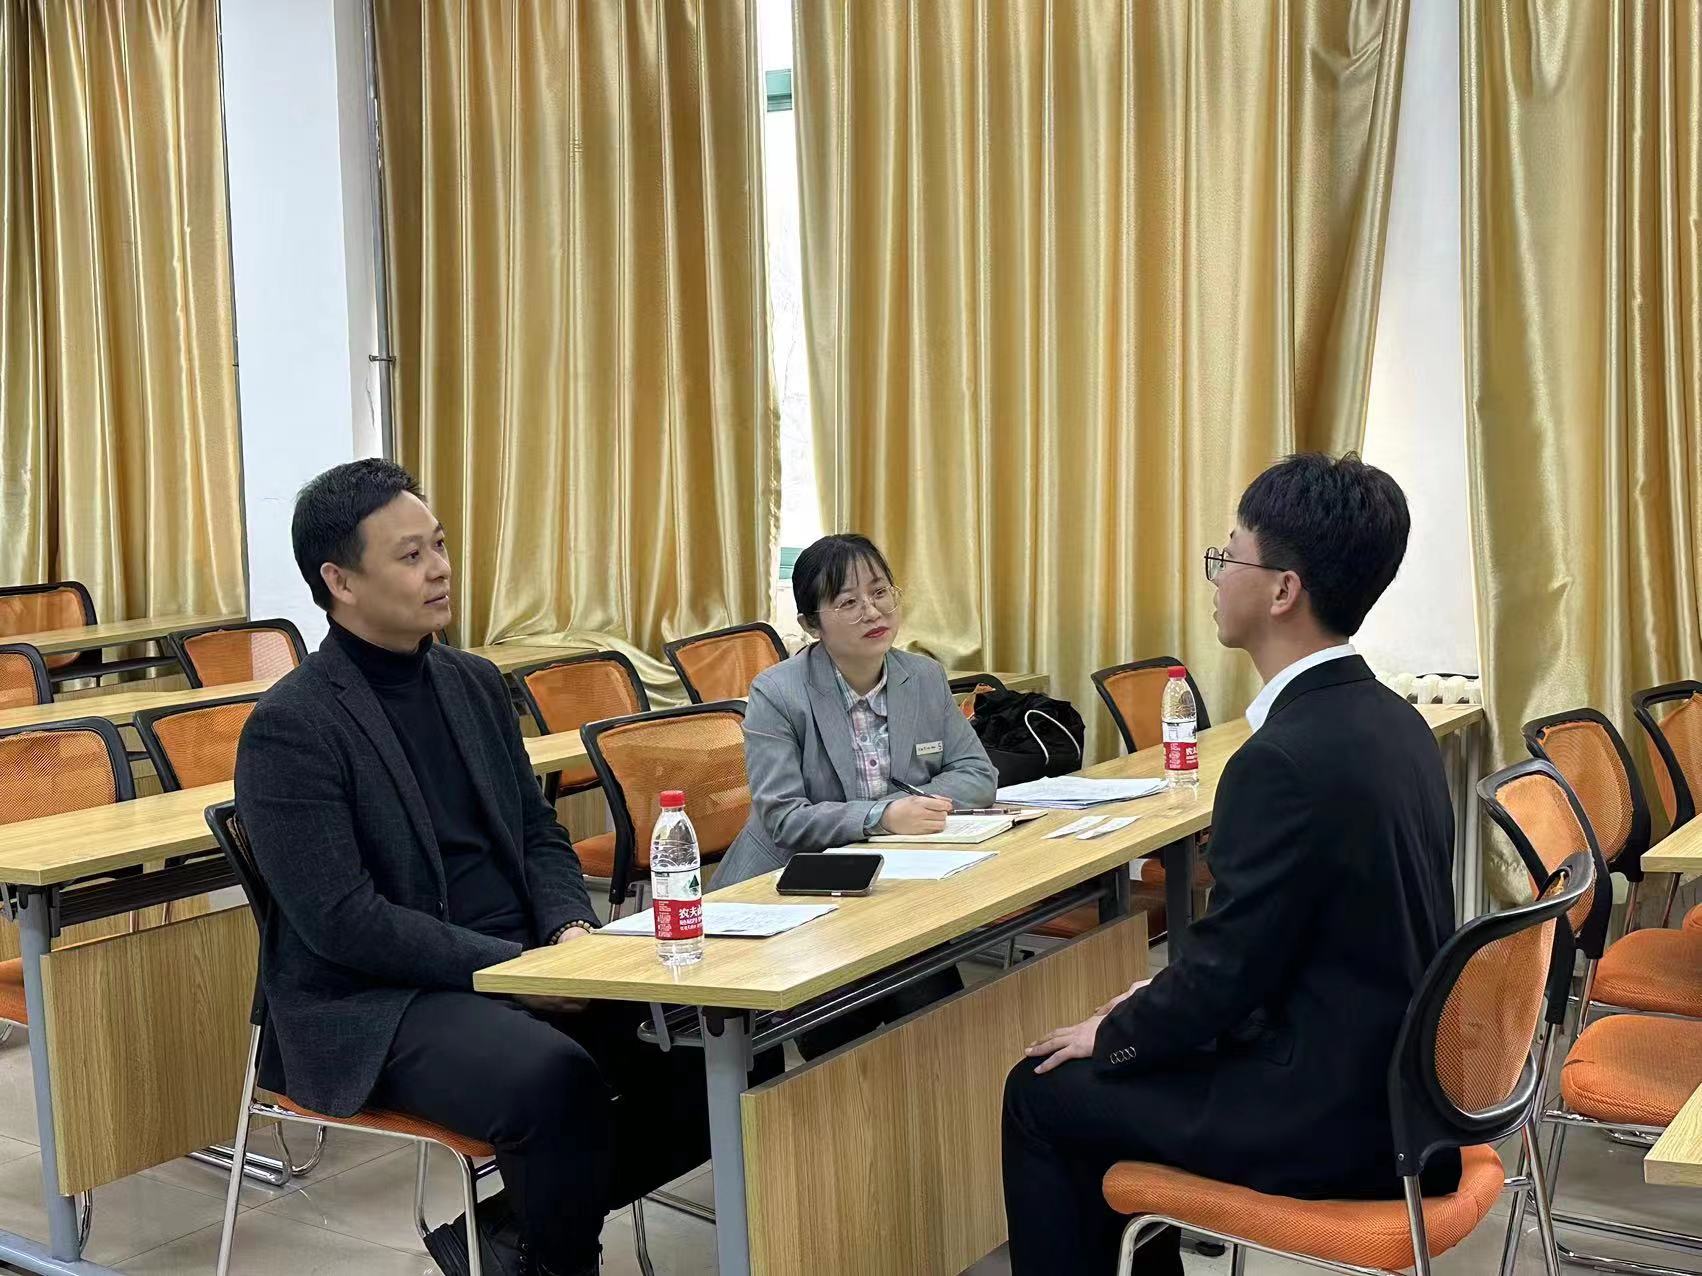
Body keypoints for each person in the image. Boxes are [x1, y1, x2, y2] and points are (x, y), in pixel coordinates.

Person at [235, 459, 707, 1276]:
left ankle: (512, 1237)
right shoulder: (291, 727)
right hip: (381, 996)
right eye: (410, 555)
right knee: (551, 1081)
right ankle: (556, 1258)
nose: (440, 568)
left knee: (713, 1048)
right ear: (339, 581)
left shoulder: (473, 682)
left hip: (521, 955)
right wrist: (511, 968)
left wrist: (569, 930)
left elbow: (536, 832)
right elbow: (343, 922)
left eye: (441, 545)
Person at [1001, 453, 1459, 1275]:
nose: (1215, 577)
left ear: (1283, 590)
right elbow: (1284, 946)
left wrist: (1120, 1031)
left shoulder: (1280, 760)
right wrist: (1153, 1009)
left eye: (1228, 556)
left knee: (1040, 1090)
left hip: (1329, 1118)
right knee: (1126, 1058)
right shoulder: (1397, 723)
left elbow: (1225, 977)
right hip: (1406, 1095)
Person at [715, 533, 999, 1051]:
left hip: (892, 889)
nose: (873, 611)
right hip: (791, 893)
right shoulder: (777, 693)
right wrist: (884, 816)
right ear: (811, 624)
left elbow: (977, 774)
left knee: (940, 1021)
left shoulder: (923, 676)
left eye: (880, 591)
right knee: (843, 1040)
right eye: (848, 602)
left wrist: (907, 812)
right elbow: (785, 818)